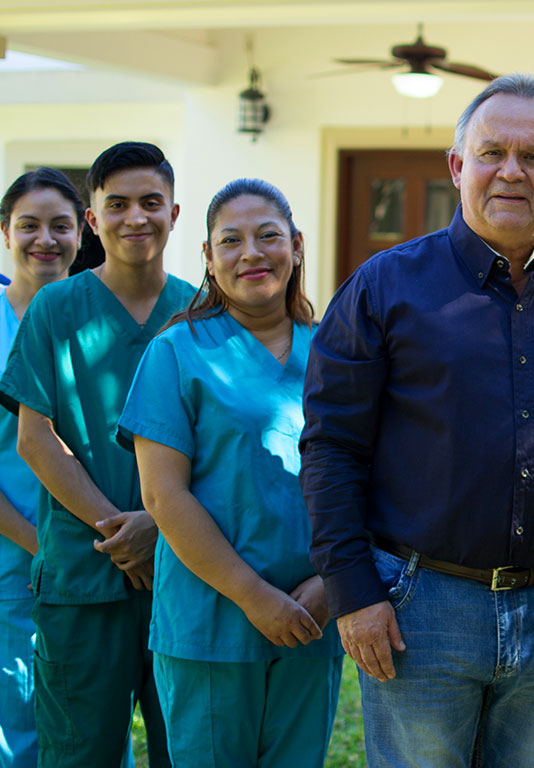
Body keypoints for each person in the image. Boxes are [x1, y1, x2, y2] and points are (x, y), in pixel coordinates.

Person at [300, 73, 534, 768]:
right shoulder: (383, 288)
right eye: (492, 152)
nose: (511, 171)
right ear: (457, 166)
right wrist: (353, 593)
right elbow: (331, 448)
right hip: (418, 608)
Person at [117, 179, 343, 767]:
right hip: (211, 620)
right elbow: (162, 495)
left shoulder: (335, 355)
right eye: (231, 241)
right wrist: (253, 596)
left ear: (295, 247)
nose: (252, 254)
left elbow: (366, 482)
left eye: (268, 237)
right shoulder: (176, 352)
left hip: (312, 616)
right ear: (209, 262)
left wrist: (329, 583)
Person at [0, 142, 194, 768]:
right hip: (83, 581)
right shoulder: (57, 309)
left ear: (175, 213)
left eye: (150, 203)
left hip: (187, 576)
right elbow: (34, 438)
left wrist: (158, 527)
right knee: (78, 754)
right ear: (93, 220)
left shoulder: (200, 313)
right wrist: (120, 528)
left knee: (185, 750)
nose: (135, 217)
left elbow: (222, 448)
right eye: (118, 204)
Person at [0, 168, 84, 768]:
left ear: (85, 230)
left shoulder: (99, 316)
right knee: (19, 717)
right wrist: (40, 546)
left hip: (95, 558)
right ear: (5, 231)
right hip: (12, 559)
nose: (45, 240)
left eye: (61, 225)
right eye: (29, 225)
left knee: (89, 719)